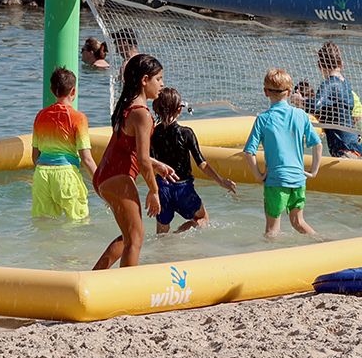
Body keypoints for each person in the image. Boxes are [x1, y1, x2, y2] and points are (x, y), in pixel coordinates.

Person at [91, 53, 177, 270]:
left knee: (128, 236)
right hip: (118, 177)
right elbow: (141, 160)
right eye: (159, 79)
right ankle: (125, 289)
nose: (162, 84)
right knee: (136, 239)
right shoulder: (142, 114)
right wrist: (154, 190)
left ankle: (95, 277)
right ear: (144, 80)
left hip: (105, 175)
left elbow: (128, 149)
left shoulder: (127, 106)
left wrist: (156, 165)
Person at [244, 68, 323, 237]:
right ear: (289, 92)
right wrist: (314, 171)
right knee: (298, 222)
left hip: (276, 180)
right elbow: (317, 144)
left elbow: (249, 152)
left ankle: (270, 261)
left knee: (272, 230)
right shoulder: (301, 115)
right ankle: (323, 242)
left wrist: (258, 175)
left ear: (266, 92)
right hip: (298, 179)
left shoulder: (263, 119)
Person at [150, 87, 236, 233]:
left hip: (162, 187)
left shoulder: (153, 133)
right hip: (183, 188)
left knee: (162, 231)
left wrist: (152, 190)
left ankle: (161, 254)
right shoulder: (186, 133)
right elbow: (202, 164)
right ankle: (179, 234)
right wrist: (222, 181)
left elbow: (149, 163)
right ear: (179, 109)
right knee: (202, 219)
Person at [32, 68, 96, 221]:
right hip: (66, 175)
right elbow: (86, 159)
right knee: (79, 223)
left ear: (51, 90)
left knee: (44, 224)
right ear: (73, 91)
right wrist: (101, 183)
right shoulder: (78, 118)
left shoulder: (40, 116)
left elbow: (35, 156)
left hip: (42, 174)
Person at [312, 42, 362, 158]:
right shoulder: (346, 83)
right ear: (341, 64)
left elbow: (315, 105)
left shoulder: (330, 84)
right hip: (355, 143)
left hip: (344, 150)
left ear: (320, 65)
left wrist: (300, 100)